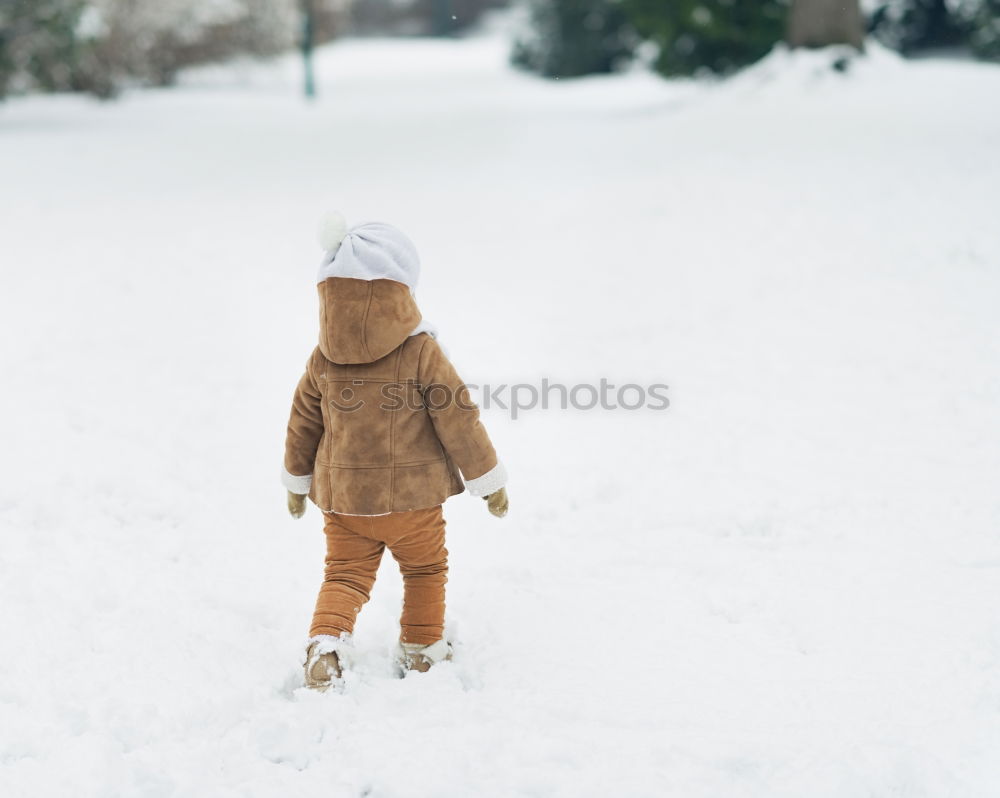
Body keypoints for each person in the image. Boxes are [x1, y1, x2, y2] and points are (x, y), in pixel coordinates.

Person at [282, 213, 508, 690]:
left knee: (344, 575)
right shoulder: (421, 351)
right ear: (399, 287)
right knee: (425, 570)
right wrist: (488, 481)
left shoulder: (323, 357)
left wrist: (297, 482)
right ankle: (424, 650)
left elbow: (303, 421)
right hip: (412, 503)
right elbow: (458, 418)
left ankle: (325, 647)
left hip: (345, 502)